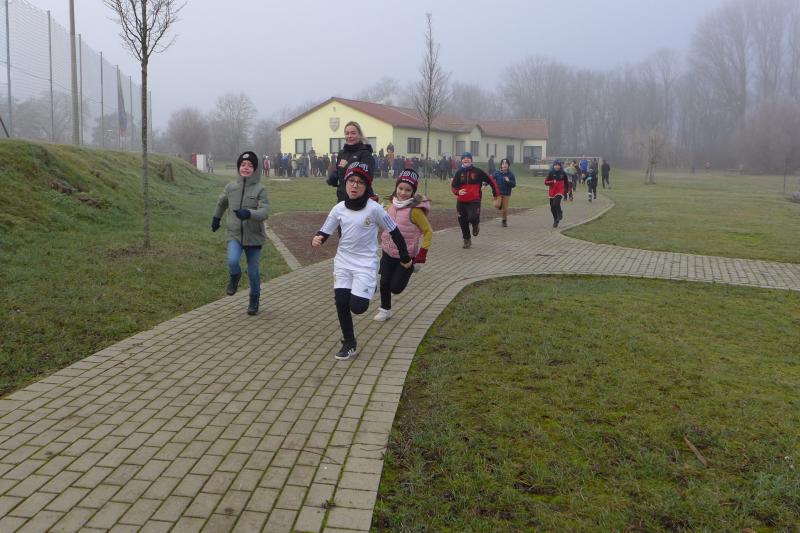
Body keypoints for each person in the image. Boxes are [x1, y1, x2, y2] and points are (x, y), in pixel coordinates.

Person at [312, 162, 411, 360]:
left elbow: (394, 231)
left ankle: (369, 286)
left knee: (358, 307)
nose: (355, 185)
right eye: (351, 181)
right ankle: (349, 343)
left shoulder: (374, 210)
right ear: (346, 183)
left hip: (365, 263)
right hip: (343, 261)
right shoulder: (339, 208)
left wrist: (404, 255)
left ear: (366, 186)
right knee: (341, 302)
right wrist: (319, 238)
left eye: (360, 182)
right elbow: (325, 230)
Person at [211, 151, 269, 316]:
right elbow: (222, 203)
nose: (246, 168)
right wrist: (216, 218)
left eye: (250, 165)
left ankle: (254, 299)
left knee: (253, 271)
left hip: (254, 237)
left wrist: (249, 213)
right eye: (243, 165)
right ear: (238, 167)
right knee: (232, 261)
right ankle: (235, 276)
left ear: (255, 169)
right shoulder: (231, 187)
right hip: (234, 234)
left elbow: (264, 211)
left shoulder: (260, 189)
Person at [374, 169, 432, 322]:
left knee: (396, 288)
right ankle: (385, 310)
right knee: (384, 282)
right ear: (396, 188)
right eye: (400, 188)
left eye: (408, 190)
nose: (403, 193)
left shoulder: (415, 211)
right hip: (387, 252)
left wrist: (421, 256)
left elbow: (428, 232)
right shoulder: (389, 207)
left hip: (405, 257)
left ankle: (410, 269)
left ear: (413, 192)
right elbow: (378, 222)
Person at [451, 152, 500, 249]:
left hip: (474, 201)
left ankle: (475, 225)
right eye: (464, 158)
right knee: (462, 221)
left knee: (472, 217)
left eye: (468, 158)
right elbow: (453, 186)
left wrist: (496, 194)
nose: (466, 159)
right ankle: (467, 239)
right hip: (461, 202)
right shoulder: (458, 172)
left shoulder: (478, 171)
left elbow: (491, 181)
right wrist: (457, 192)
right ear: (462, 160)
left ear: (471, 160)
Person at [327, 121, 376, 203]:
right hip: (342, 199)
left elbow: (367, 177)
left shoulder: (365, 154)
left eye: (353, 133)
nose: (349, 136)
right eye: (347, 133)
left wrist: (347, 167)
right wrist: (334, 176)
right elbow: (339, 169)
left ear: (359, 135)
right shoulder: (342, 153)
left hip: (360, 200)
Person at [544, 159, 570, 228]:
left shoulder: (563, 173)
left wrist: (567, 190)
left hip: (560, 191)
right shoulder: (551, 173)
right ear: (554, 165)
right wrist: (552, 181)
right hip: (552, 192)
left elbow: (566, 182)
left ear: (560, 166)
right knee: (552, 208)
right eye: (556, 165)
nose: (557, 166)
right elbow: (546, 182)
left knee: (556, 203)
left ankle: (560, 212)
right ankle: (556, 220)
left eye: (558, 165)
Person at [492, 158, 516, 227]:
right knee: (497, 205)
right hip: (498, 193)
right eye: (503, 164)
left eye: (506, 164)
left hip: (507, 194)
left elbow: (514, 185)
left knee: (505, 209)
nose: (504, 165)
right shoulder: (497, 173)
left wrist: (509, 181)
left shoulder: (511, 174)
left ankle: (504, 221)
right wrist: (485, 184)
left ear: (508, 165)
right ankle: (495, 201)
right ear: (501, 165)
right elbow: (490, 179)